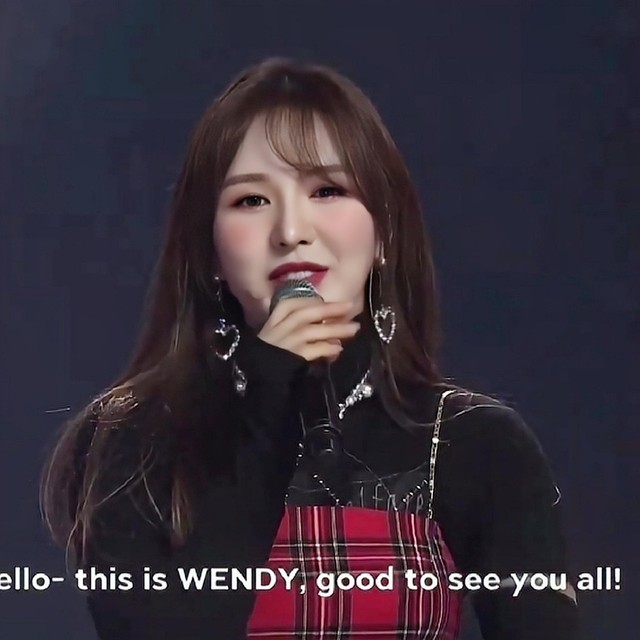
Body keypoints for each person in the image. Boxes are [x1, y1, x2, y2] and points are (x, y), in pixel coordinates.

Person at [41, 57, 579, 639]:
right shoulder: (134, 439)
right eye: (252, 200)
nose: (292, 230)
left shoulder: (473, 441)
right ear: (210, 253)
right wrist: (267, 384)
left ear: (384, 233)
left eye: (327, 190)